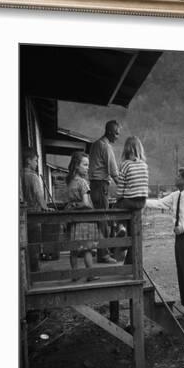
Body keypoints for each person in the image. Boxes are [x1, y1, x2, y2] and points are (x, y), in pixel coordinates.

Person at [146, 167, 184, 316]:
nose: (175, 178)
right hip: (178, 238)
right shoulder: (175, 195)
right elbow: (159, 203)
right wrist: (141, 200)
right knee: (180, 271)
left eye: (178, 176)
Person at [87, 120, 120, 264]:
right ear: (111, 132)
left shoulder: (95, 144)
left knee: (100, 220)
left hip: (94, 185)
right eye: (117, 133)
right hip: (100, 186)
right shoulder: (106, 146)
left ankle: (103, 250)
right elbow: (114, 172)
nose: (118, 137)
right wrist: (125, 189)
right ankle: (104, 255)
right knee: (103, 220)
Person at [66, 152, 100, 282]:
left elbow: (69, 201)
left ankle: (75, 275)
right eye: (85, 165)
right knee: (87, 249)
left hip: (74, 220)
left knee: (74, 249)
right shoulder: (83, 183)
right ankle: (90, 274)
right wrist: (82, 205)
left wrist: (73, 205)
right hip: (85, 220)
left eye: (88, 165)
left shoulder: (69, 181)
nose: (87, 167)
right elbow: (86, 203)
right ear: (76, 166)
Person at [115, 136, 149, 264]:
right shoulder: (144, 165)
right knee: (134, 233)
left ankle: (121, 226)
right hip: (141, 202)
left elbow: (121, 187)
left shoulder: (125, 164)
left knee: (116, 208)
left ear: (126, 150)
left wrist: (118, 198)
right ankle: (129, 262)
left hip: (128, 201)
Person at [21, 149, 48, 272]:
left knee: (25, 244)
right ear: (28, 161)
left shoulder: (20, 175)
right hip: (34, 214)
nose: (37, 164)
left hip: (23, 216)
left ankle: (26, 269)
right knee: (34, 244)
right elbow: (38, 194)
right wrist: (45, 207)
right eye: (36, 161)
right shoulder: (33, 176)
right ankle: (35, 270)